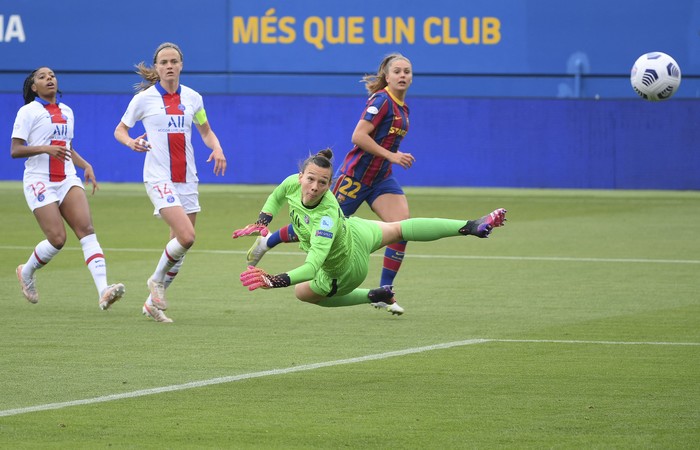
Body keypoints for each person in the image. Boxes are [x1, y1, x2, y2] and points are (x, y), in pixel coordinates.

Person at [232, 149, 506, 315]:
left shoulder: (325, 219)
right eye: (311, 179)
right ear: (301, 175)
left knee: (303, 293)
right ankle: (471, 226)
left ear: (330, 185)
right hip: (356, 231)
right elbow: (277, 196)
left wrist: (276, 281)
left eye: (323, 183)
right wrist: (262, 219)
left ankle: (372, 295)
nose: (315, 187)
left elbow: (312, 267)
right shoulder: (292, 183)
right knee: (399, 227)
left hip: (346, 268)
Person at [244, 53, 417, 308]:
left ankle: (385, 292)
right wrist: (392, 155)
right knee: (321, 227)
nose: (403, 75)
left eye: (407, 71)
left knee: (402, 228)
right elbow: (358, 136)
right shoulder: (381, 101)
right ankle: (268, 240)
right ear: (387, 76)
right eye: (398, 71)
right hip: (355, 178)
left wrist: (389, 161)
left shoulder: (403, 108)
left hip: (381, 179)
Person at [114, 42, 227, 323]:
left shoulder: (193, 98)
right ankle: (155, 281)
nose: (169, 66)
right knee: (187, 236)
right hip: (158, 176)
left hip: (187, 178)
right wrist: (131, 142)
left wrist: (217, 148)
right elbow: (120, 130)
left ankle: (153, 304)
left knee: (181, 246)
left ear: (181, 65)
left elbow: (206, 130)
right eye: (163, 62)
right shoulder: (144, 100)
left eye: (173, 61)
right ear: (156, 67)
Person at [11, 67, 125, 310]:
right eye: (41, 77)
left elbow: (66, 148)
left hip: (66, 178)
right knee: (57, 239)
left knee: (86, 229)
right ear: (34, 87)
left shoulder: (67, 111)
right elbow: (15, 150)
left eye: (51, 75)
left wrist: (85, 165)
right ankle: (27, 271)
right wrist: (44, 148)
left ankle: (103, 291)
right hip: (39, 180)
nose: (48, 78)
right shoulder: (28, 111)